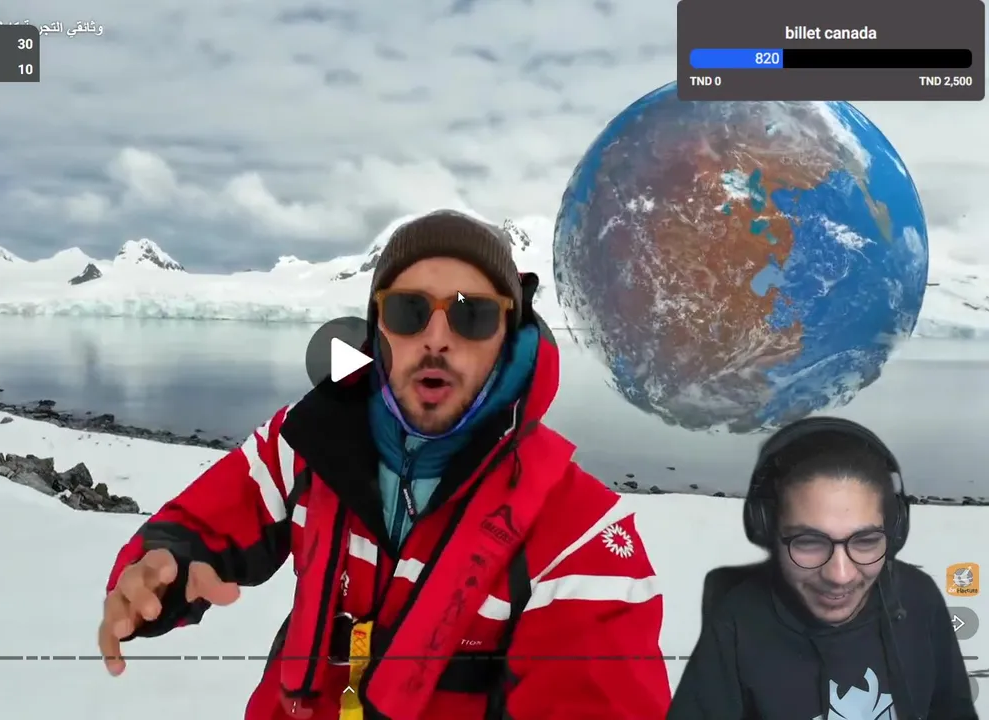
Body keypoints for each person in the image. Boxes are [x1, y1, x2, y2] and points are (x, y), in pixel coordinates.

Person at [98, 209, 672, 719]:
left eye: (472, 316)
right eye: (408, 310)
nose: (437, 338)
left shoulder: (580, 538)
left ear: (508, 336)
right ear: (377, 328)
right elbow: (199, 525)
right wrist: (161, 571)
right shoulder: (302, 443)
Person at [668, 416, 979, 720]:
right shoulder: (737, 621)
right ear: (767, 531)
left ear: (894, 533)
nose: (840, 575)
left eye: (866, 541)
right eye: (809, 542)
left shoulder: (918, 595)